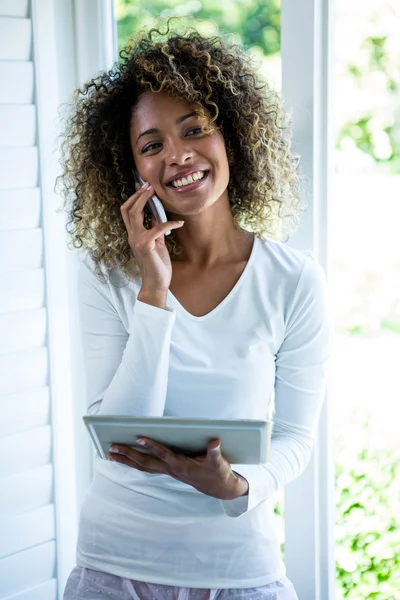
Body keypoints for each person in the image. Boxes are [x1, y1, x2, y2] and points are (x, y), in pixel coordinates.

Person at [58, 19, 333, 600]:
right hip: (113, 566)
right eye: (152, 145)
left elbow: (294, 437)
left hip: (237, 569)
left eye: (194, 130)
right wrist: (153, 291)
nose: (177, 156)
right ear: (132, 169)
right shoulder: (106, 274)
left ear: (230, 135)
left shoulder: (293, 280)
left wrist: (234, 484)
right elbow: (120, 440)